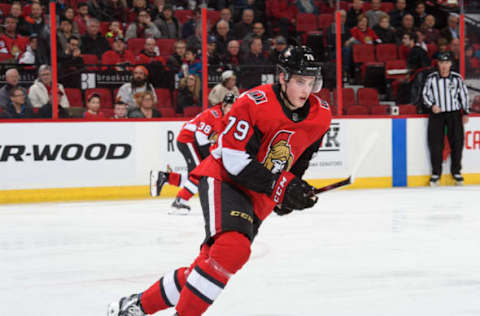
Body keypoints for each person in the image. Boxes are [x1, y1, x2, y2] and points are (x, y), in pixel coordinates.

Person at [108, 45, 332, 316]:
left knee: (207, 266)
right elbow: (234, 160)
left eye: (310, 82)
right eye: (299, 81)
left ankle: (135, 305)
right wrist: (280, 186)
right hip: (226, 180)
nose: (306, 90)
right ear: (283, 78)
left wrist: (291, 191)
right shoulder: (253, 102)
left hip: (259, 196)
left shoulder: (321, 115)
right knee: (232, 249)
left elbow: (299, 160)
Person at [150, 93, 236, 215]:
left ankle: (164, 177)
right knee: (200, 174)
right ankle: (179, 202)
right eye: (230, 107)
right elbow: (200, 137)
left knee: (197, 173)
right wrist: (209, 157)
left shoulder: (227, 118)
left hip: (194, 142)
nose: (232, 110)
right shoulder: (213, 115)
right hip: (188, 140)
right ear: (224, 105)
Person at [422, 52, 469, 186]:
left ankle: (456, 172)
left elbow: (464, 95)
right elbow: (425, 94)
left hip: (454, 114)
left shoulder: (457, 78)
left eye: (446, 63)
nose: (444, 66)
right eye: (441, 63)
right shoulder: (431, 78)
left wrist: (465, 112)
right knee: (435, 144)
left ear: (450, 64)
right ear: (438, 64)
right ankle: (436, 173)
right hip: (437, 115)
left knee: (457, 143)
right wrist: (432, 106)